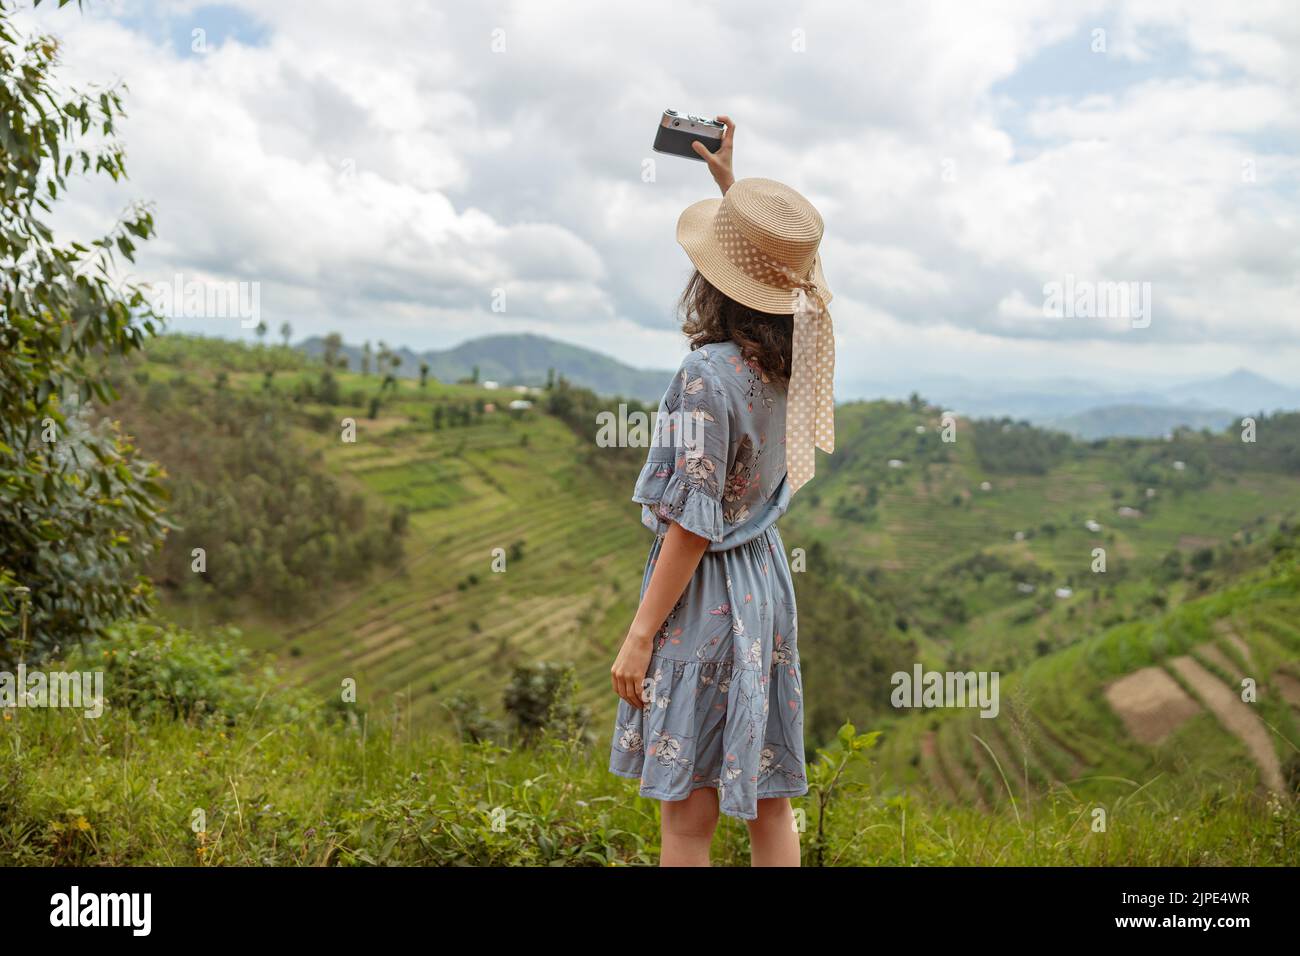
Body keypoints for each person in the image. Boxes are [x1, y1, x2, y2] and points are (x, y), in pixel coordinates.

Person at [608, 116, 837, 866]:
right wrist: (732, 189)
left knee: (688, 818)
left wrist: (640, 635)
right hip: (765, 587)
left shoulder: (706, 376)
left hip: (704, 598)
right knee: (769, 802)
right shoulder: (796, 353)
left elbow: (692, 524)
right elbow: (798, 278)